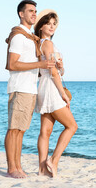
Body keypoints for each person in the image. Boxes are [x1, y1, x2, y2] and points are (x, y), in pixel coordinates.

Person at [4, 0, 55, 179]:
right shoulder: (19, 36)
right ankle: (12, 168)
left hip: (30, 89)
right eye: (30, 11)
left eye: (35, 11)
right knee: (14, 129)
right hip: (20, 88)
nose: (34, 14)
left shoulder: (29, 37)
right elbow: (12, 64)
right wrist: (40, 63)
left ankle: (17, 165)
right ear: (21, 14)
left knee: (21, 130)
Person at [34, 9, 78, 178]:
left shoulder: (42, 44)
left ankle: (42, 169)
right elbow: (52, 73)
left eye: (54, 24)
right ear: (41, 26)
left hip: (44, 87)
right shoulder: (47, 43)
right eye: (48, 23)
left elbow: (57, 70)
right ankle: (54, 160)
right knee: (72, 126)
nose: (52, 26)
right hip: (52, 88)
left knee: (45, 131)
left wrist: (61, 66)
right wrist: (63, 94)